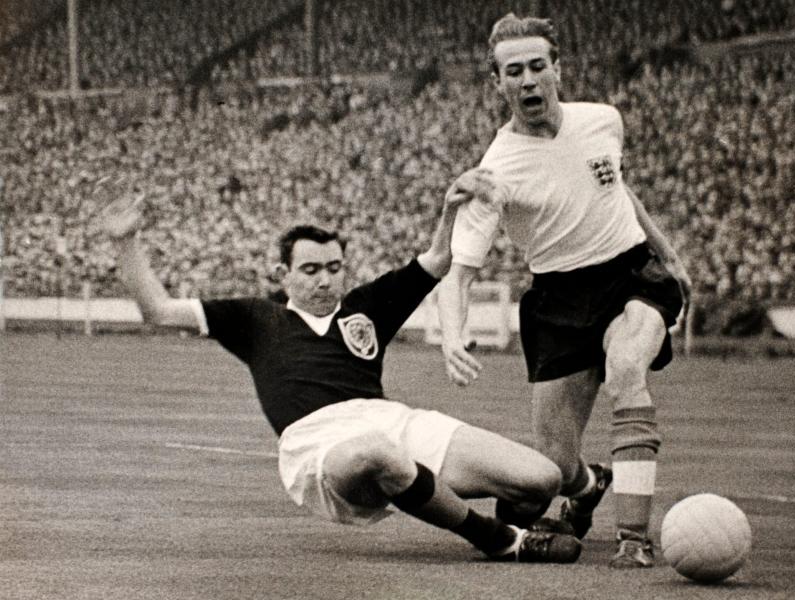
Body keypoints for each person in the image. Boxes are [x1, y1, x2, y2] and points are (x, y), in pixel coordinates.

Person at [98, 178, 582, 564]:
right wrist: (125, 242)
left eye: (333, 267)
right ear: (281, 274)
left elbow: (438, 259)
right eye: (310, 269)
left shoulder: (366, 306)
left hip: (389, 420)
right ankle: (499, 540)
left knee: (542, 477)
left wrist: (450, 207)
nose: (324, 278)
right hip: (320, 445)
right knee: (376, 452)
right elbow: (158, 310)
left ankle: (520, 524)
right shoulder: (254, 317)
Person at [437, 13, 691, 568]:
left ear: (557, 68)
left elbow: (618, 189)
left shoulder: (603, 120)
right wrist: (451, 336)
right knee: (552, 465)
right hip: (559, 299)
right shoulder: (494, 173)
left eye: (535, 66)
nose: (527, 80)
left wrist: (668, 254)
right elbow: (460, 273)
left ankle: (633, 540)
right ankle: (588, 484)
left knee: (627, 367)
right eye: (512, 72)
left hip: (630, 275)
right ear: (497, 83)